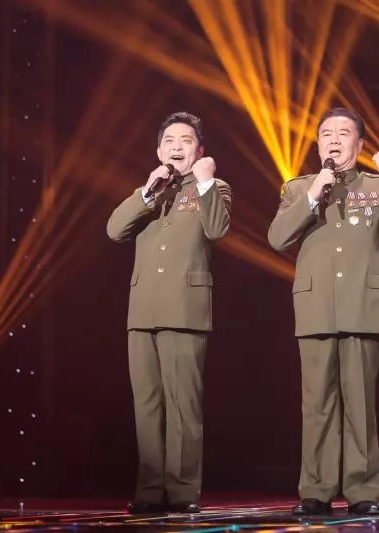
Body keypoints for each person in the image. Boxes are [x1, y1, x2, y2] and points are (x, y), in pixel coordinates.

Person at [268, 107, 379, 516]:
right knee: (316, 404)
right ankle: (316, 491)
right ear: (318, 144)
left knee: (360, 405)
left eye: (343, 133)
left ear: (359, 144)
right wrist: (314, 193)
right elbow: (278, 237)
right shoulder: (299, 188)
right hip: (316, 306)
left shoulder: (375, 184)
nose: (334, 140)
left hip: (362, 306)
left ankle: (363, 491)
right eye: (327, 134)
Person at [107, 111, 232, 514]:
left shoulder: (214, 187)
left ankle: (182, 491)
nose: (177, 147)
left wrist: (206, 181)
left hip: (185, 310)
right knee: (146, 404)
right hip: (143, 312)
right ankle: (149, 490)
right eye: (169, 142)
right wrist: (147, 192)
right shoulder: (149, 192)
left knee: (183, 405)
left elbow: (217, 229)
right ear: (158, 150)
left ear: (200, 150)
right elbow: (114, 230)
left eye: (185, 141)